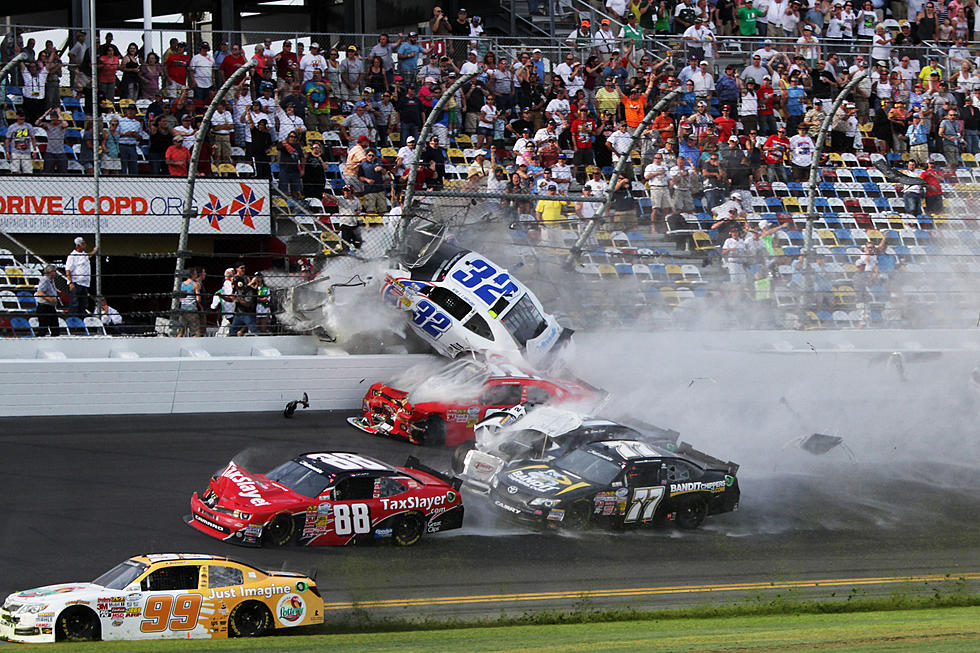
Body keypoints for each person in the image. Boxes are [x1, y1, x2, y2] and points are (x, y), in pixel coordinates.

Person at [65, 236, 98, 318]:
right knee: (74, 304)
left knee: (83, 304)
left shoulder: (83, 254)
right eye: (83, 244)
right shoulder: (72, 256)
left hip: (84, 284)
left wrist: (94, 251)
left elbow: (88, 256)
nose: (85, 245)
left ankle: (81, 321)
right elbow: (68, 270)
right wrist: (70, 282)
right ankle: (72, 322)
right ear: (78, 245)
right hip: (76, 283)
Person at [357, 149, 389, 213]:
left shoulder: (379, 162)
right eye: (369, 155)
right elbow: (360, 177)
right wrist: (367, 180)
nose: (371, 157)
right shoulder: (362, 165)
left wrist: (381, 169)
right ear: (366, 156)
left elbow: (385, 173)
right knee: (370, 210)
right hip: (369, 190)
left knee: (383, 210)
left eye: (373, 155)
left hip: (380, 189)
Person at [335, 185, 364, 252]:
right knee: (346, 242)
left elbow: (360, 208)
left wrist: (358, 211)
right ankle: (345, 254)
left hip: (354, 223)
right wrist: (326, 195)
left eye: (348, 191)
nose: (346, 192)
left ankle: (357, 253)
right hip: (345, 223)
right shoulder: (341, 199)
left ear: (351, 191)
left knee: (357, 241)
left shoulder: (356, 199)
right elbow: (333, 198)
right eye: (345, 191)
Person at [34, 264, 60, 337]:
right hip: (44, 306)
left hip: (50, 306)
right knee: (43, 327)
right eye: (54, 271)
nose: (55, 273)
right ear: (50, 272)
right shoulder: (45, 280)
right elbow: (40, 292)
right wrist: (51, 299)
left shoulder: (51, 281)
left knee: (55, 327)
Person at [178, 267, 203, 337]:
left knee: (180, 332)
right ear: (192, 274)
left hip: (183, 309)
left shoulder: (181, 284)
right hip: (192, 310)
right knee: (195, 332)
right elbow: (198, 299)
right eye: (195, 273)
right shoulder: (195, 284)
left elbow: (180, 298)